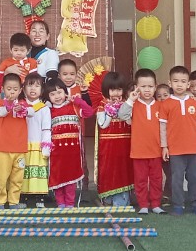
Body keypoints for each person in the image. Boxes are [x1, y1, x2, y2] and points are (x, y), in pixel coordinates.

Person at [159, 68, 196, 216]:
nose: (179, 85)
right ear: (170, 83)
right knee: (176, 179)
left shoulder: (194, 103)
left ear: (188, 84)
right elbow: (162, 127)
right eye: (176, 81)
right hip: (175, 150)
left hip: (194, 148)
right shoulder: (165, 104)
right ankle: (178, 205)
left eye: (183, 81)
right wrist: (164, 147)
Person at [49, 68, 93, 207]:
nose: (57, 96)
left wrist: (78, 101)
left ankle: (69, 203)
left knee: (71, 177)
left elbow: (89, 112)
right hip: (56, 152)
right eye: (52, 94)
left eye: (59, 92)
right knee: (57, 176)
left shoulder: (74, 107)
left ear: (65, 92)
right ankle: (60, 203)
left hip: (73, 152)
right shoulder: (48, 111)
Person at [122, 68, 164, 214]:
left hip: (156, 151)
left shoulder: (160, 105)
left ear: (155, 87)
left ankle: (156, 204)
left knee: (156, 179)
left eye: (150, 86)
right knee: (140, 180)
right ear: (136, 87)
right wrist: (130, 100)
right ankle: (143, 205)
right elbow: (122, 115)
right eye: (143, 86)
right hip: (138, 151)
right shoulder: (133, 105)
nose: (147, 90)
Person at [95, 72, 134, 207]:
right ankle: (107, 199)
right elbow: (103, 124)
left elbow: (130, 122)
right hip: (108, 145)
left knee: (124, 169)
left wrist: (124, 110)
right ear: (107, 90)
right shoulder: (102, 104)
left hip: (125, 143)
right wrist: (110, 113)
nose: (116, 93)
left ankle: (122, 200)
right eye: (112, 89)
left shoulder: (127, 103)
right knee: (109, 169)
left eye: (119, 89)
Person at [0, 72, 28, 209]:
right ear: (2, 89)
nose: (12, 92)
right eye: (8, 89)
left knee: (17, 178)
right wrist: (8, 106)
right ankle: (0, 202)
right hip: (3, 148)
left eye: (15, 89)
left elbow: (31, 113)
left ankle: (14, 201)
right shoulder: (0, 103)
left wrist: (23, 109)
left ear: (20, 90)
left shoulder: (23, 104)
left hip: (20, 148)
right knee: (1, 178)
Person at [21, 75, 53, 205]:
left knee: (39, 171)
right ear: (23, 89)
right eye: (29, 85)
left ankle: (40, 197)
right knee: (22, 171)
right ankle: (22, 196)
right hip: (22, 145)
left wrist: (46, 147)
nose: (33, 88)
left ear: (42, 90)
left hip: (38, 145)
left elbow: (46, 129)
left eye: (36, 86)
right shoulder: (20, 106)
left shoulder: (44, 108)